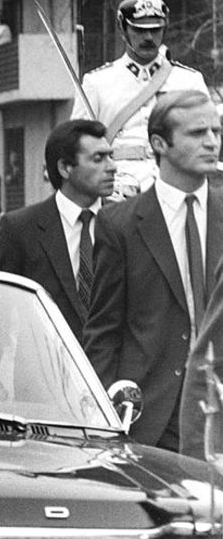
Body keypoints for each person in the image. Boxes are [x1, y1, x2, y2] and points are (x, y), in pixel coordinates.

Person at [84, 90, 223, 452]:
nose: (212, 143)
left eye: (217, 132)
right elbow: (104, 330)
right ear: (160, 143)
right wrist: (102, 424)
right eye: (197, 134)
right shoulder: (121, 225)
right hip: (151, 419)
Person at [71, 0, 209, 199]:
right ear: (123, 29)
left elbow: (205, 138)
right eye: (139, 30)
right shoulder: (97, 83)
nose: (148, 37)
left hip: (176, 185)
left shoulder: (189, 81)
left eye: (155, 29)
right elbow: (78, 147)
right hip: (118, 189)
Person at [0, 120, 115, 342]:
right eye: (98, 158)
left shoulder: (124, 223)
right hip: (46, 367)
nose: (112, 166)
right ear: (65, 168)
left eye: (110, 156)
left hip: (111, 371)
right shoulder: (19, 229)